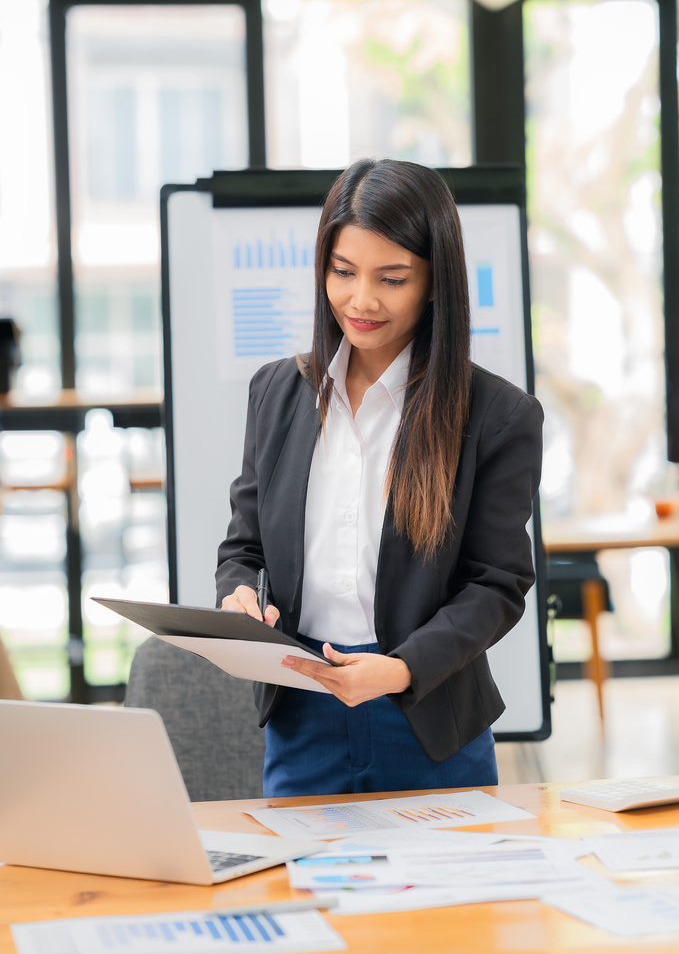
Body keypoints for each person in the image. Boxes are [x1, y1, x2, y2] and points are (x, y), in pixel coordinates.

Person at [217, 158, 543, 797]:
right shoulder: (278, 392)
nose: (360, 300)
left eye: (391, 279)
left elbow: (497, 584)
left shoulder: (497, 416)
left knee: (450, 901)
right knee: (305, 897)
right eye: (342, 272)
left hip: (426, 719)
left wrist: (397, 670)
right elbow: (244, 546)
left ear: (433, 285)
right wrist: (239, 597)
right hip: (300, 710)